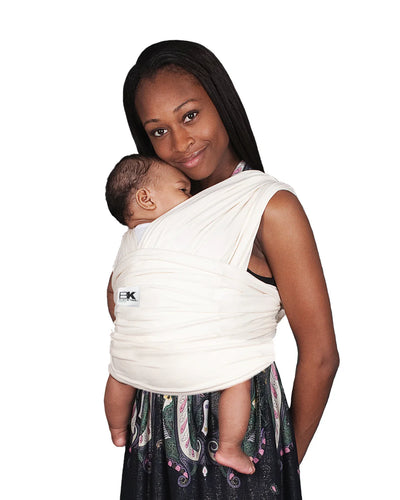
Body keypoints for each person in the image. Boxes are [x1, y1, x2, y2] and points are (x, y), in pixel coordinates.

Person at [106, 40, 339, 499]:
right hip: (155, 437)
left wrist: (278, 467)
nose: (180, 143)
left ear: (221, 103)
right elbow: (123, 308)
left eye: (190, 115)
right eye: (158, 130)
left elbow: (320, 356)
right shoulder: (161, 211)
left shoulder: (269, 208)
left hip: (242, 445)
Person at [105, 154, 255, 474]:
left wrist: (130, 323)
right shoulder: (181, 230)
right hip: (184, 339)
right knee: (238, 378)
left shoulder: (127, 245)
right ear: (146, 199)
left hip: (138, 335)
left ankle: (117, 430)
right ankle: (229, 447)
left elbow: (117, 291)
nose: (191, 199)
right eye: (183, 190)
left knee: (120, 376)